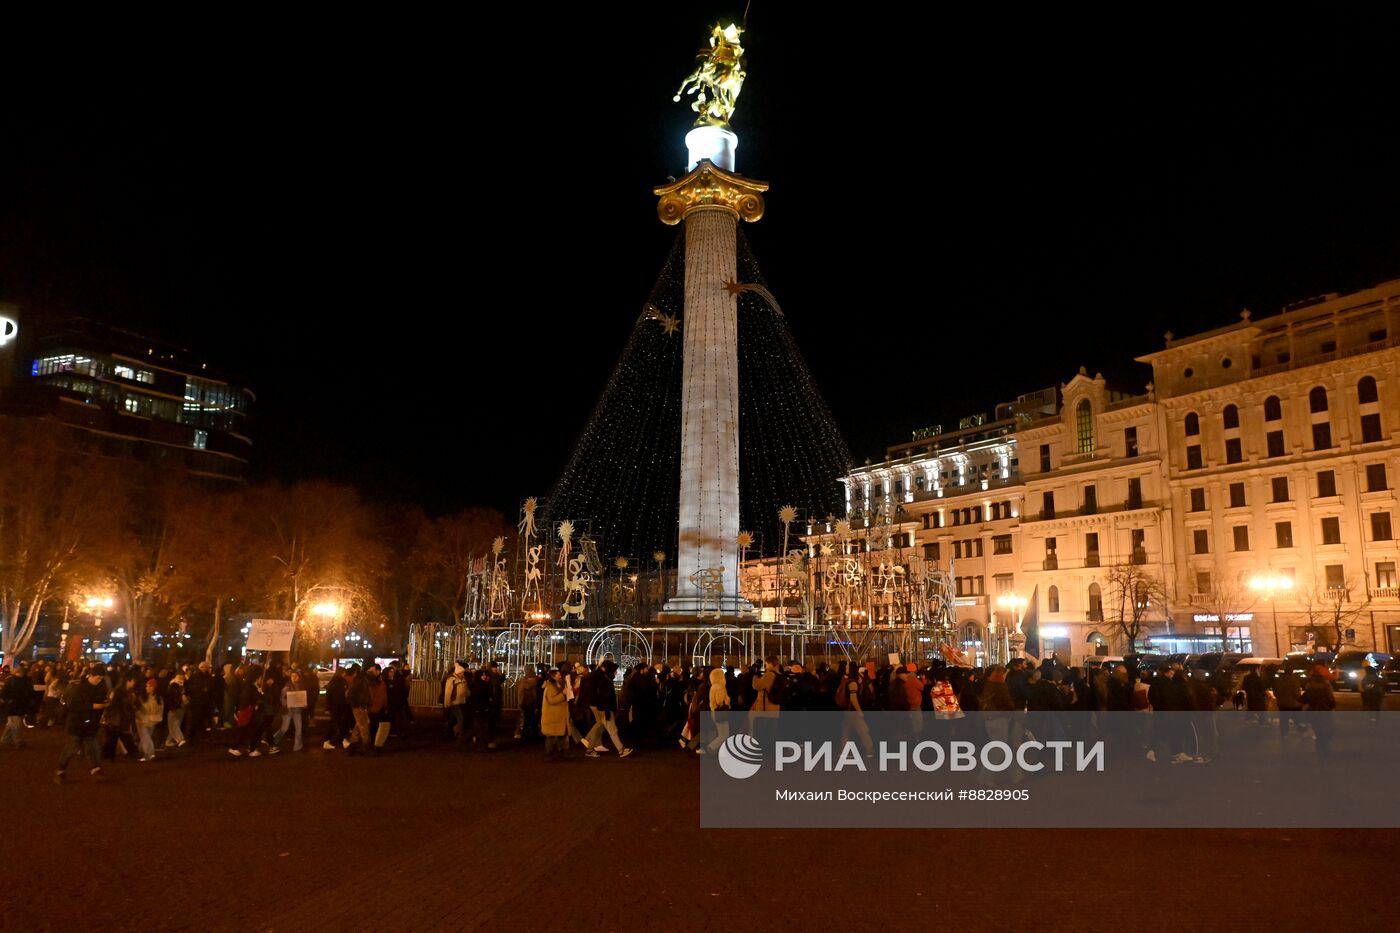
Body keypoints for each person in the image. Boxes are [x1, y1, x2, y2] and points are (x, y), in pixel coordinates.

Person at [55, 666, 109, 784]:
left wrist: (104, 703)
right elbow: (72, 706)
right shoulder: (78, 688)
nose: (99, 681)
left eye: (101, 679)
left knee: (93, 748)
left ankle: (96, 770)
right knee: (70, 749)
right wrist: (93, 706)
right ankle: (60, 771)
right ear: (91, 675)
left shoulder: (99, 687)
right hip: (77, 724)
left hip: (91, 723)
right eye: (98, 678)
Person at [582, 660, 633, 758]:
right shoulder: (604, 680)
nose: (616, 673)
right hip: (605, 708)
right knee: (612, 730)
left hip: (600, 707)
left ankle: (589, 747)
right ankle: (621, 750)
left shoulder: (602, 678)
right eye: (614, 671)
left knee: (600, 727)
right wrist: (607, 711)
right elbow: (605, 697)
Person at [0, 663, 34, 749]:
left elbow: (3, 693)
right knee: (16, 725)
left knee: (12, 724)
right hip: (16, 707)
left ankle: (5, 739)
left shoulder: (13, 681)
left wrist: (8, 701)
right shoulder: (22, 681)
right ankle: (18, 741)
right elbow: (4, 693)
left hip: (15, 706)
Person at [541, 668, 570, 760]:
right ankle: (551, 754)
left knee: (559, 736)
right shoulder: (550, 687)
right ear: (554, 676)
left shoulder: (556, 685)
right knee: (552, 737)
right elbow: (552, 700)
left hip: (557, 716)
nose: (560, 676)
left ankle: (559, 754)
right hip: (553, 716)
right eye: (558, 674)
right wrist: (563, 694)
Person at [136, 678, 164, 762]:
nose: (146, 688)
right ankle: (149, 753)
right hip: (142, 720)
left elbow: (160, 710)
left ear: (153, 688)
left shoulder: (158, 698)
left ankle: (147, 753)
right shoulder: (143, 697)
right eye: (146, 686)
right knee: (146, 736)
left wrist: (152, 718)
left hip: (151, 721)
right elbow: (138, 709)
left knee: (146, 737)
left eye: (149, 686)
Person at [164, 669, 187, 748]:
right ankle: (169, 741)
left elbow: (171, 697)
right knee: (175, 724)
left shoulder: (173, 684)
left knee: (173, 725)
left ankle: (180, 740)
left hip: (174, 707)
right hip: (180, 707)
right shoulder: (182, 684)